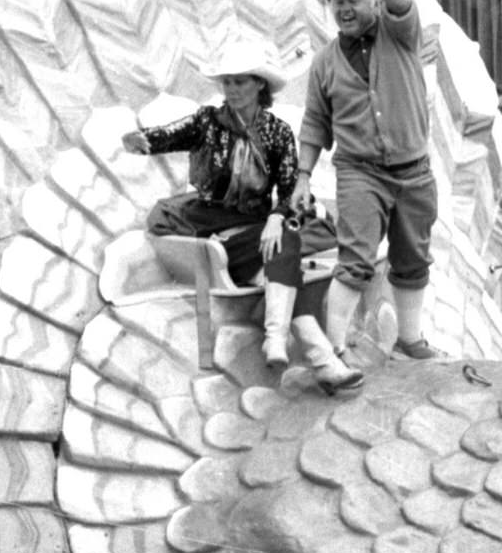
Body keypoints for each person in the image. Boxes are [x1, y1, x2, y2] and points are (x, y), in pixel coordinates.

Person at [122, 41, 361, 392]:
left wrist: (277, 218)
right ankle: (312, 354)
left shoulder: (277, 132)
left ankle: (309, 355)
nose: (232, 90)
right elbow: (167, 136)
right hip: (213, 232)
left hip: (260, 232)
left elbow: (291, 188)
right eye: (227, 83)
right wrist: (141, 140)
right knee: (287, 251)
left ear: (259, 85)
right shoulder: (207, 122)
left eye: (240, 82)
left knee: (286, 239)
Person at [292, 0, 439, 361]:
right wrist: (303, 176)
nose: (343, 8)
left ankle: (411, 341)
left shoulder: (400, 34)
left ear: (374, 1)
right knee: (355, 260)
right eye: (337, 1)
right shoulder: (324, 63)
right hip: (359, 172)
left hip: (414, 170)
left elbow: (404, 3)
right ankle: (335, 347)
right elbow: (314, 124)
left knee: (412, 257)